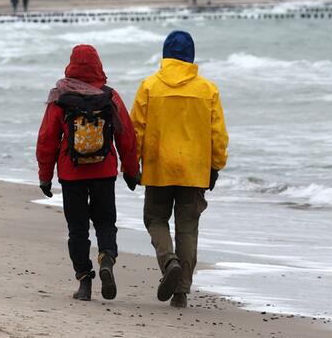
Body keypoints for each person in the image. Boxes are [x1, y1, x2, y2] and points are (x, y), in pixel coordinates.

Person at [130, 31, 228, 309]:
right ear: (191, 56)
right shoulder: (207, 90)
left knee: (155, 219)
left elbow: (136, 129)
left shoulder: (149, 86)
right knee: (187, 229)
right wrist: (216, 165)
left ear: (165, 55)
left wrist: (132, 165)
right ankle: (181, 291)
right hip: (194, 170)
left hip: (158, 167)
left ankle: (168, 260)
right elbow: (218, 134)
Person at [36, 44, 139, 302]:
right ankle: (106, 257)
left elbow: (47, 138)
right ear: (98, 65)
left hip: (71, 175)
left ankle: (84, 281)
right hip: (104, 171)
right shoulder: (110, 96)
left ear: (70, 65)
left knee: (77, 229)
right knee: (105, 222)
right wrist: (131, 170)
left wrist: (45, 175)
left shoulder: (60, 96)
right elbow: (126, 135)